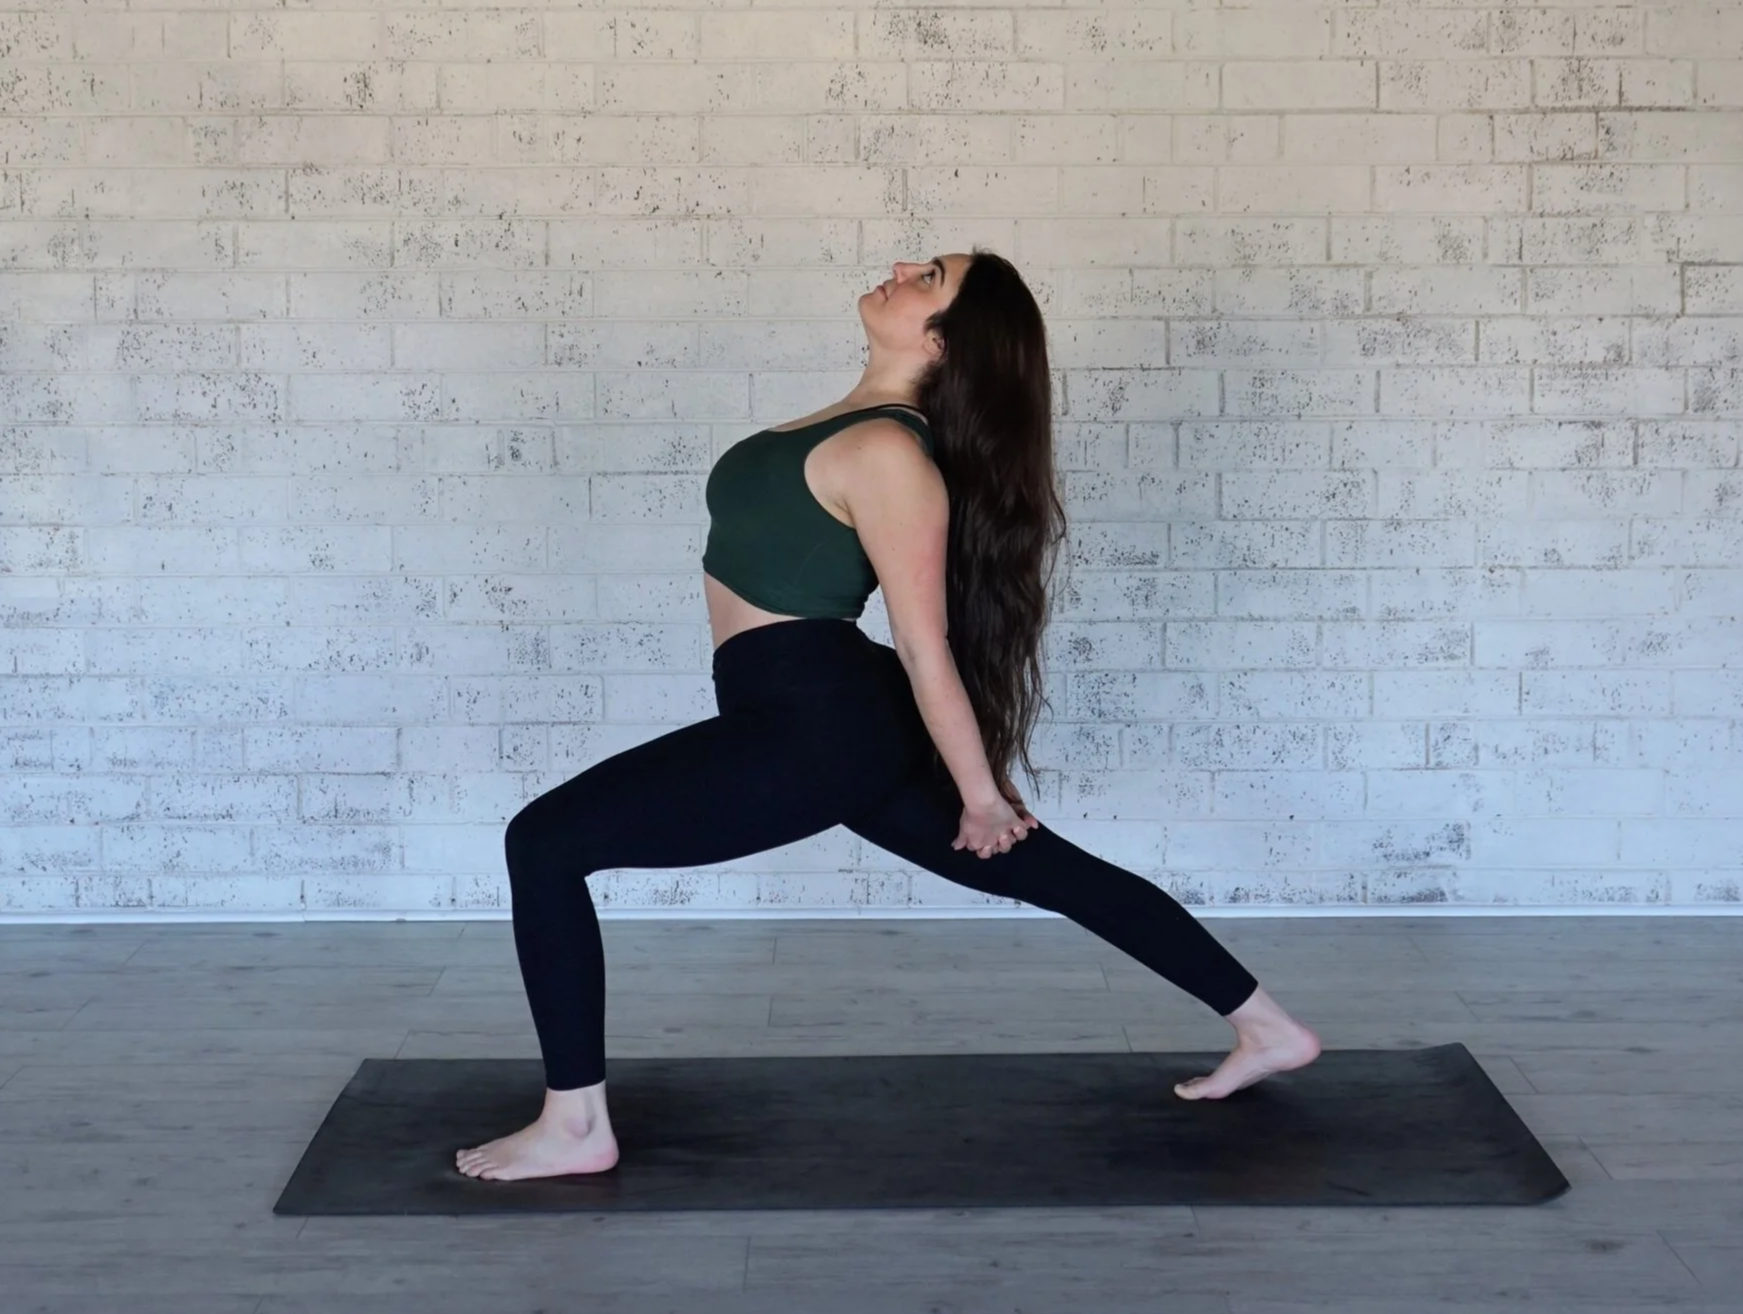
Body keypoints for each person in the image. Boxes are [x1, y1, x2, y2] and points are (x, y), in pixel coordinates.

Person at [456, 248, 1321, 1183]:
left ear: (943, 339)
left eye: (929, 276)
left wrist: (981, 795)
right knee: (1048, 872)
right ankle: (1268, 1028)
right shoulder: (853, 429)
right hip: (816, 710)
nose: (903, 265)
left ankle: (577, 1125)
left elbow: (924, 644)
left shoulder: (888, 454)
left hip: (814, 724)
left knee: (544, 842)